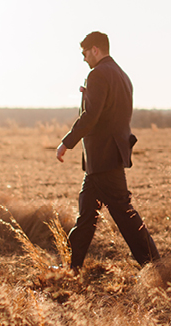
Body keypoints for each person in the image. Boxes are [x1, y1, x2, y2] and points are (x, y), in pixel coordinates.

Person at [56, 31, 160, 273]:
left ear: (95, 49)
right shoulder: (122, 75)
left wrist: (66, 142)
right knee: (86, 216)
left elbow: (91, 116)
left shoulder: (98, 74)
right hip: (107, 156)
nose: (83, 59)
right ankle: (72, 267)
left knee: (124, 214)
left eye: (84, 53)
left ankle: (156, 265)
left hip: (103, 156)